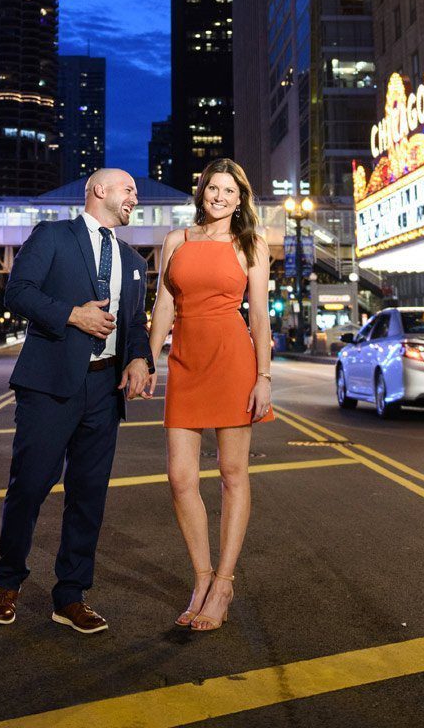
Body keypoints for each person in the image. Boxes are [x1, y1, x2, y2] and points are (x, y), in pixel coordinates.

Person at [0, 169, 153, 634]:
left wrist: (140, 360)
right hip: (49, 384)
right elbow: (18, 292)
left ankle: (71, 595)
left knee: (88, 495)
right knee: (31, 486)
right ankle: (8, 582)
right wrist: (72, 315)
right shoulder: (53, 236)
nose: (135, 196)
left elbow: (134, 324)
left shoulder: (133, 260)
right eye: (129, 189)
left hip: (105, 389)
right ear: (100, 191)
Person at [147, 158, 273, 633]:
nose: (219, 196)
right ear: (201, 192)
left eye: (228, 190)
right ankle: (200, 576)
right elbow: (163, 304)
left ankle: (223, 583)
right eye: (212, 188)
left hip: (232, 359)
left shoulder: (251, 244)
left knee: (231, 473)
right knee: (180, 478)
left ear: (241, 199)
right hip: (185, 360)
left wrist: (263, 376)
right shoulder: (176, 240)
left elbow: (258, 316)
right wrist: (148, 357)